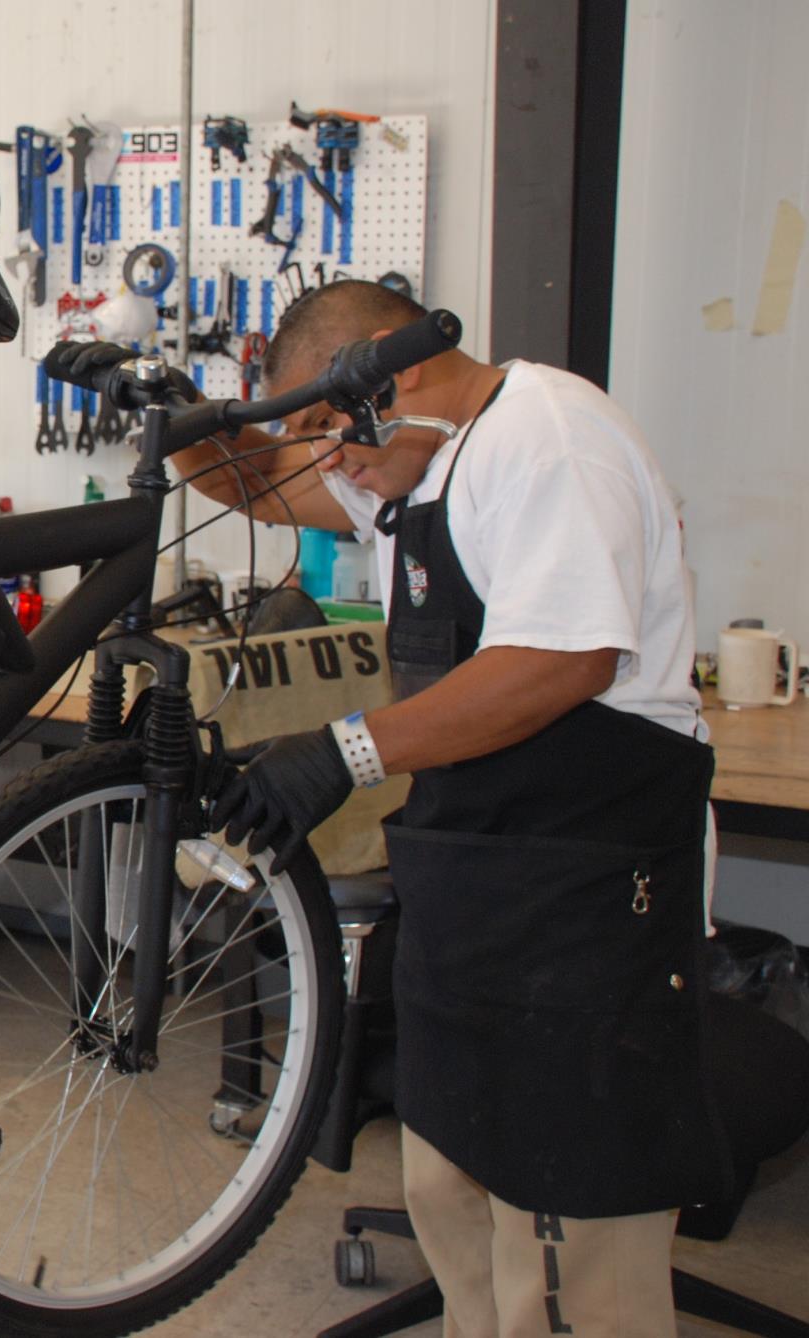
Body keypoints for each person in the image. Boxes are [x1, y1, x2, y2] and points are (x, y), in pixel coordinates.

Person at [156, 279, 727, 1337]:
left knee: (566, 1247)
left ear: (394, 367)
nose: (327, 461)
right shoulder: (416, 470)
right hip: (472, 882)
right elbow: (265, 485)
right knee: (452, 1194)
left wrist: (347, 750)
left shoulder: (544, 438)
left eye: (331, 428)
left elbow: (560, 660)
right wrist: (168, 405)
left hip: (584, 891)